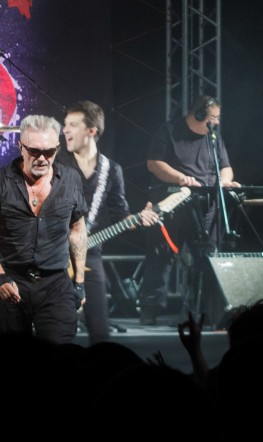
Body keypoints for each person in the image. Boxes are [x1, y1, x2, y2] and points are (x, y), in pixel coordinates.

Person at [0, 114, 88, 344]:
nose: (42, 158)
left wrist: (79, 282)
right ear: (21, 147)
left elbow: (77, 231)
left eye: (49, 152)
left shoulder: (70, 180)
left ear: (57, 148)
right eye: (34, 151)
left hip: (55, 283)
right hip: (11, 279)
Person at [56, 101, 160, 344]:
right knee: (58, 333)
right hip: (54, 253)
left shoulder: (111, 170)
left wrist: (140, 219)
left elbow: (121, 216)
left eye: (73, 125)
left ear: (91, 131)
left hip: (90, 253)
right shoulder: (56, 163)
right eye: (65, 124)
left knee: (100, 332)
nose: (65, 130)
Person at [137, 95, 240, 325]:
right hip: (172, 204)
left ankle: (206, 311)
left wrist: (224, 181)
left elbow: (226, 167)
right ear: (199, 114)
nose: (217, 122)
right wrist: (181, 178)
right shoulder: (169, 131)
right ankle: (150, 311)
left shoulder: (213, 138)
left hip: (205, 208)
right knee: (160, 257)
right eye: (214, 117)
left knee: (207, 259)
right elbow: (154, 163)